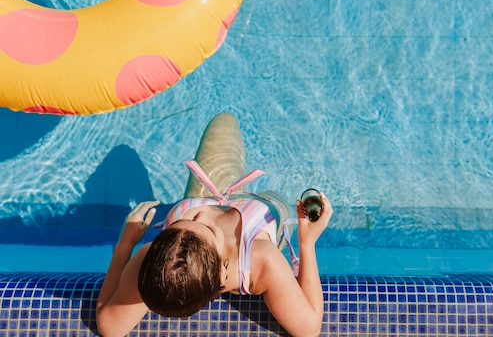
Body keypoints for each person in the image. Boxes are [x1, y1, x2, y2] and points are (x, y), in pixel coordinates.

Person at [96, 113, 332, 337]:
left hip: (205, 190)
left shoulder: (162, 262)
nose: (201, 215)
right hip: (264, 211)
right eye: (207, 229)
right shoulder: (262, 260)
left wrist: (125, 244)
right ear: (222, 272)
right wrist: (307, 242)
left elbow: (109, 327)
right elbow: (309, 329)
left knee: (223, 121)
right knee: (229, 121)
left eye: (182, 222)